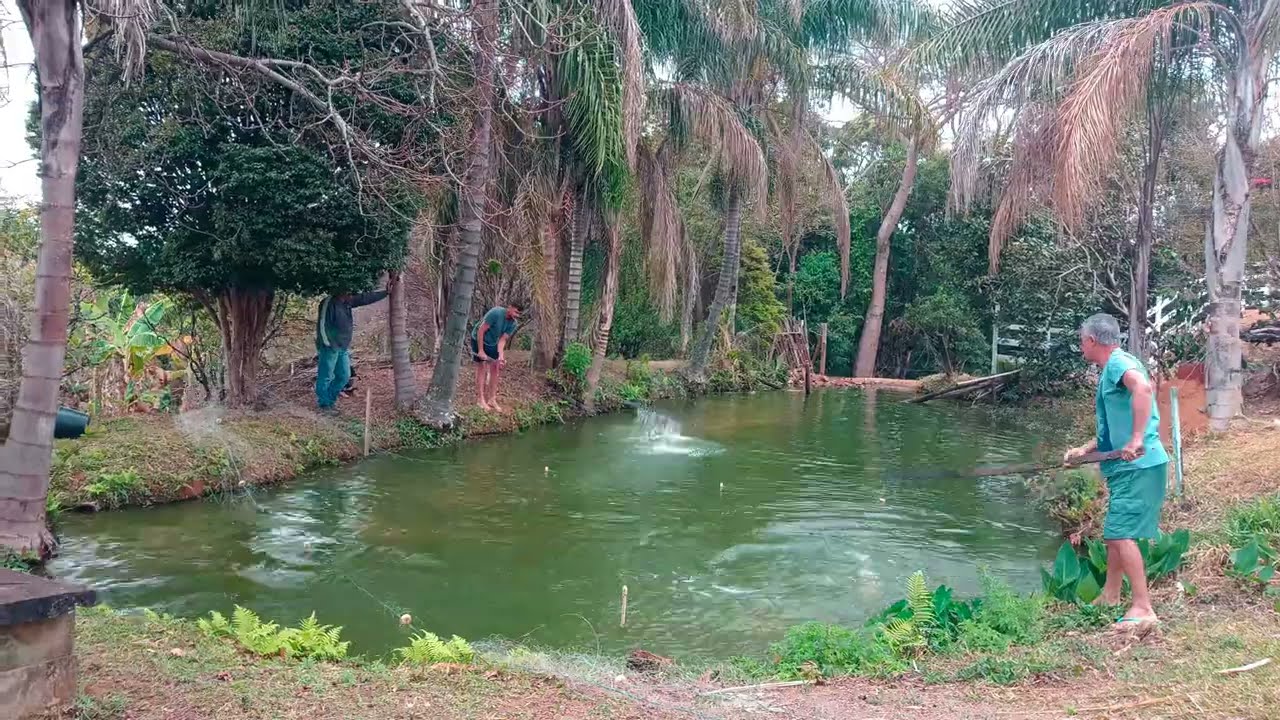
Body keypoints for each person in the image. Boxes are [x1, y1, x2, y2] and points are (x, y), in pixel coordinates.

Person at [1063, 313, 1169, 628]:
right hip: (1127, 466)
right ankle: (1110, 594)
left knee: (1122, 534)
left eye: (1082, 340)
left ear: (1092, 341)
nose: (1081, 346)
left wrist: (1137, 439)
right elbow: (1115, 428)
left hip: (1138, 466)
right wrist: (1086, 449)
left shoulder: (1120, 365)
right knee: (1114, 535)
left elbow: (1144, 389)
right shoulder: (1112, 368)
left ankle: (1143, 607)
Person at [315, 288, 388, 413]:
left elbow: (366, 298)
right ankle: (324, 404)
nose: (353, 296)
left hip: (343, 346)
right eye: (350, 293)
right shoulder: (328, 303)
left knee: (344, 376)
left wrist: (386, 292)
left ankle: (329, 400)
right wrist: (328, 343)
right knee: (325, 376)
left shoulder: (347, 301)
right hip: (330, 346)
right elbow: (322, 325)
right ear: (341, 291)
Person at [470, 300, 525, 411]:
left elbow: (502, 340)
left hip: (492, 342)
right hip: (478, 338)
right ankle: (480, 400)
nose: (516, 316)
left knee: (495, 367)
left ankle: (492, 399)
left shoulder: (513, 323)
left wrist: (501, 356)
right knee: (482, 367)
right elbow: (481, 330)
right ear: (510, 307)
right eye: (515, 312)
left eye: (519, 314)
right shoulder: (496, 313)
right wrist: (481, 351)